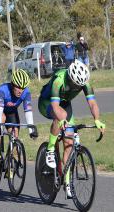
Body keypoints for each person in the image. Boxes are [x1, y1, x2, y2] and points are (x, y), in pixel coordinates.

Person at [38, 60, 105, 198]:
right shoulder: (59, 80)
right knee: (61, 115)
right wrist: (61, 119)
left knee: (69, 142)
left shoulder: (84, 82)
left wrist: (97, 120)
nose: (76, 88)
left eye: (79, 86)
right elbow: (56, 107)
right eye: (75, 84)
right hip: (47, 102)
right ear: (69, 77)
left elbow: (92, 103)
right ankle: (50, 149)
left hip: (65, 103)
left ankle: (67, 181)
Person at [0, 69, 38, 159]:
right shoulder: (2, 90)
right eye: (18, 87)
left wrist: (31, 129)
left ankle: (11, 162)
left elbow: (28, 110)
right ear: (12, 84)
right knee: (1, 120)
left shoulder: (26, 93)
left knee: (15, 134)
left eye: (23, 88)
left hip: (11, 111)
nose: (20, 91)